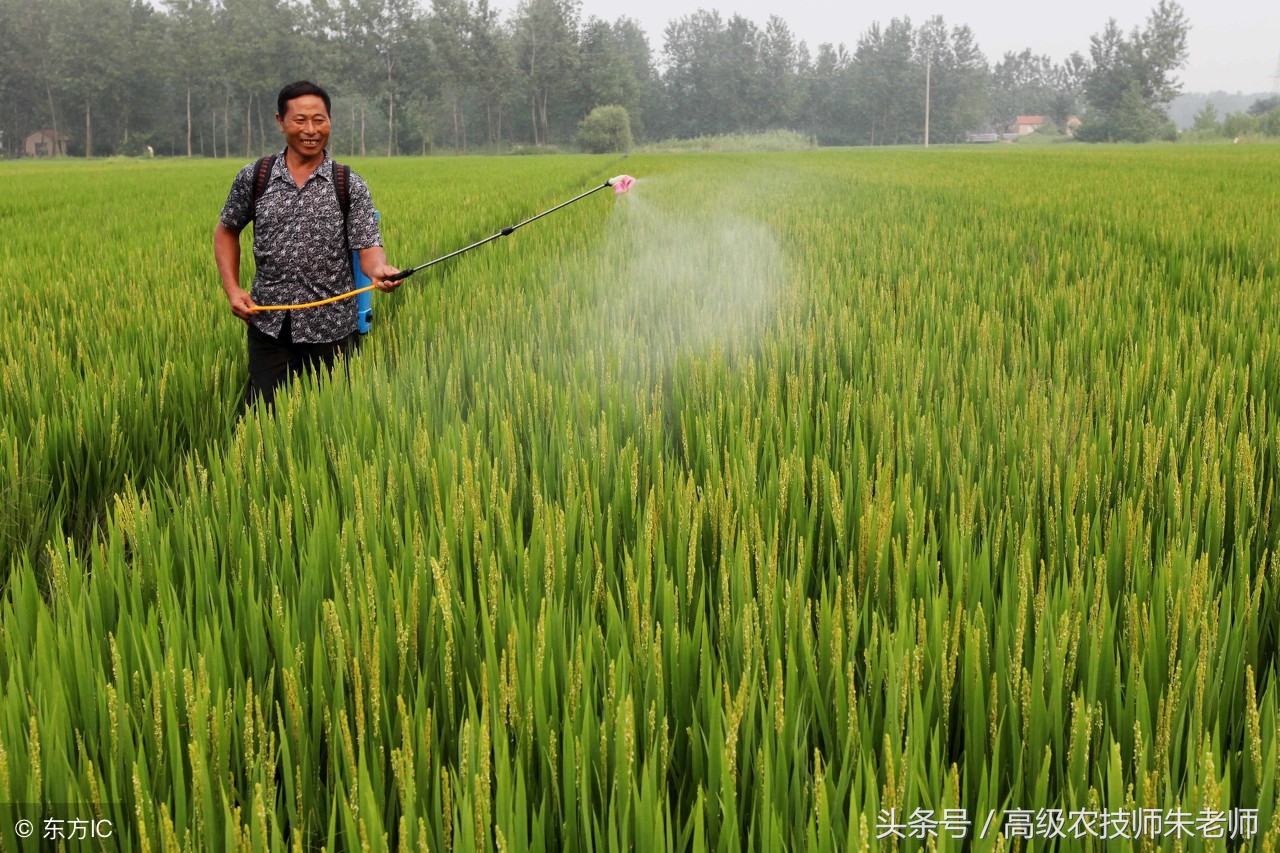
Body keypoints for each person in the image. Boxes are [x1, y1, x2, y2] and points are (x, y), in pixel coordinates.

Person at [214, 80, 400, 408]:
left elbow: (368, 247)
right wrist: (233, 288)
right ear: (280, 122)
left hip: (332, 329)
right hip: (269, 324)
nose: (311, 129)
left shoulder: (348, 184)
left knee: (328, 422)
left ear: (329, 121)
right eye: (300, 120)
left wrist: (380, 271)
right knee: (264, 420)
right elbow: (227, 231)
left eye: (320, 119)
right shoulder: (255, 177)